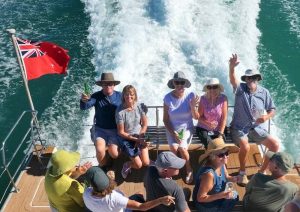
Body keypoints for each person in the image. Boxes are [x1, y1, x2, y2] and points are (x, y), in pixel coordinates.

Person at [228, 54, 279, 186]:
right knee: (245, 146)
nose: (250, 80)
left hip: (256, 127)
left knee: (275, 145)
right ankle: (242, 172)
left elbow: (272, 109)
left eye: (252, 77)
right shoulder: (241, 89)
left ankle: (261, 172)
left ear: (257, 79)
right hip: (239, 127)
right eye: (247, 78)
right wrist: (231, 67)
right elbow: (233, 80)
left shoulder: (264, 92)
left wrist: (266, 117)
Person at [83, 166, 175, 212]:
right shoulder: (115, 198)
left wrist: (109, 179)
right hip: (122, 207)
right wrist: (160, 200)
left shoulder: (86, 194)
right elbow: (141, 207)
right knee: (140, 195)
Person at [163, 71, 199, 184]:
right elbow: (165, 119)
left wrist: (193, 107)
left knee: (182, 148)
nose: (179, 85)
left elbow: (196, 117)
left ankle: (188, 168)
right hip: (172, 128)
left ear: (185, 83)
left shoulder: (191, 96)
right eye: (177, 82)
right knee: (174, 148)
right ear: (173, 83)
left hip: (186, 128)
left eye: (182, 82)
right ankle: (175, 167)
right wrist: (173, 133)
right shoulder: (167, 98)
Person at [80, 72, 122, 166]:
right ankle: (103, 167)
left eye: (110, 83)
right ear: (101, 85)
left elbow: (130, 106)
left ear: (114, 85)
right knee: (99, 149)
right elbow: (84, 107)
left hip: (115, 129)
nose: (108, 86)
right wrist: (83, 100)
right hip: (100, 129)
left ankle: (109, 151)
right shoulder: (96, 96)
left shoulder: (120, 96)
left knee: (114, 154)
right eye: (105, 84)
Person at [192, 137, 239, 212]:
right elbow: (200, 198)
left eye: (226, 153)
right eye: (221, 155)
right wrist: (221, 195)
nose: (225, 157)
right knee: (234, 198)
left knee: (235, 195)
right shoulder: (209, 175)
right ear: (212, 156)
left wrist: (234, 178)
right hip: (206, 206)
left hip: (216, 195)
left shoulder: (221, 164)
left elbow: (226, 176)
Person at [116, 85, 150, 179]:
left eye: (131, 95)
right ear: (123, 96)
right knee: (139, 165)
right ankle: (127, 164)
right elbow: (121, 132)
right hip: (127, 138)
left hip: (139, 135)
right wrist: (136, 139)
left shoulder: (139, 106)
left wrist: (141, 136)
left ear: (135, 96)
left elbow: (145, 123)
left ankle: (144, 156)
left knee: (146, 162)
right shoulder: (120, 112)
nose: (129, 97)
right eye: (126, 95)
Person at [195, 78, 228, 149]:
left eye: (215, 87)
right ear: (207, 89)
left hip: (219, 128)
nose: (212, 90)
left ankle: (216, 158)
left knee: (220, 144)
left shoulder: (223, 99)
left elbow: (224, 118)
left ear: (218, 88)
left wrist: (220, 134)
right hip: (203, 127)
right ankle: (211, 158)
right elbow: (199, 117)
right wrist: (208, 123)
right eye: (209, 87)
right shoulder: (203, 99)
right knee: (210, 145)